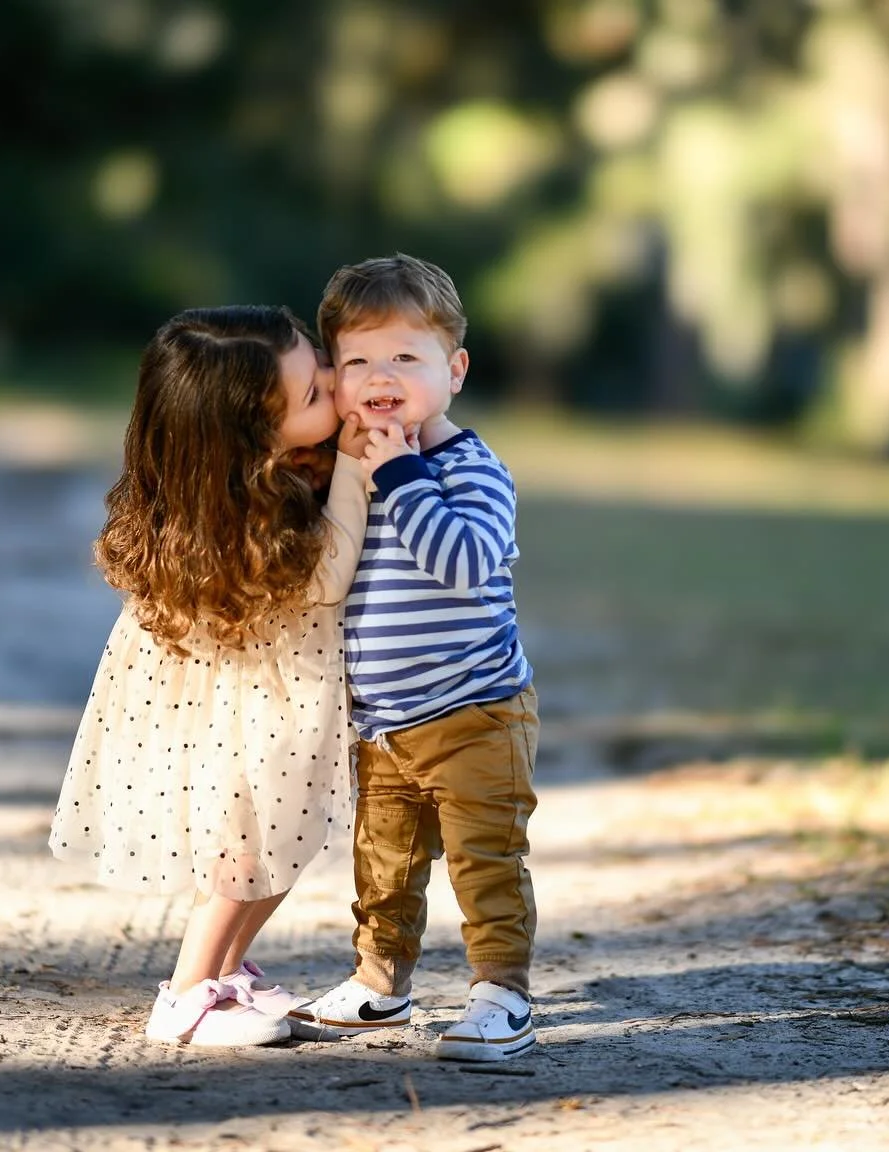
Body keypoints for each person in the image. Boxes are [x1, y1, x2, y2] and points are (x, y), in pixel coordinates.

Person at [49, 305, 369, 1048]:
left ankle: (225, 971)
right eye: (315, 394)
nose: (333, 387)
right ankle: (188, 993)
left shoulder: (243, 475)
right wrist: (355, 466)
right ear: (253, 439)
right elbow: (328, 579)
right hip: (243, 707)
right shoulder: (243, 510)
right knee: (251, 851)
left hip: (261, 693)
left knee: (287, 839)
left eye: (319, 367)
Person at [286, 254, 540, 1062]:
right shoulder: (352, 470)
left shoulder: (473, 470)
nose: (379, 376)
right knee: (383, 867)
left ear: (454, 369)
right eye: (357, 359)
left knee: (485, 860)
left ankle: (501, 993)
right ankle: (379, 985)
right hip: (386, 726)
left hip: (475, 713)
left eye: (404, 356)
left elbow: (462, 564)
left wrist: (400, 472)